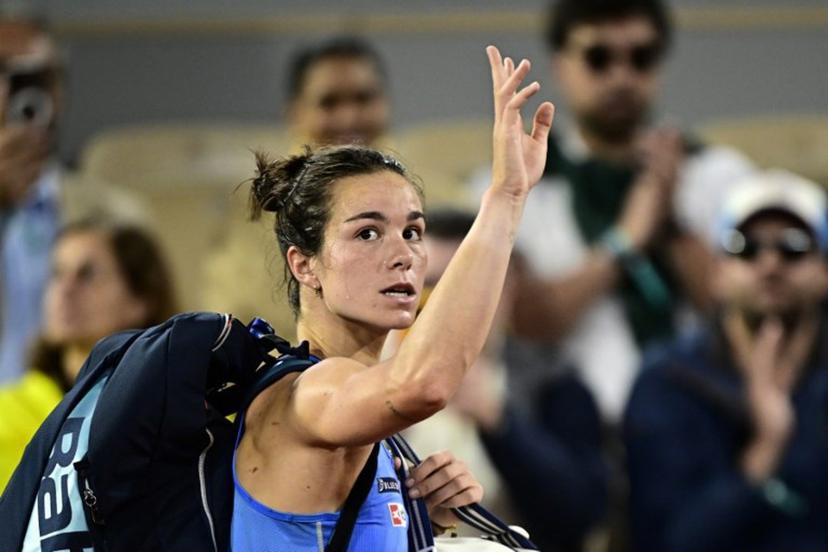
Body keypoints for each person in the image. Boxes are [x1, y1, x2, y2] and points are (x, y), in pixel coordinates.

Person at [230, 45, 555, 550]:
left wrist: (421, 517)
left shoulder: (369, 425)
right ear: (304, 264)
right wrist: (506, 197)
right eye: (367, 234)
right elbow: (423, 384)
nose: (402, 254)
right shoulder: (309, 392)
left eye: (412, 231)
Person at [469, 0, 756, 423]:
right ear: (561, 64)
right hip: (574, 430)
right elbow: (527, 319)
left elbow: (742, 309)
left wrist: (670, 218)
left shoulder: (720, 175)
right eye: (599, 58)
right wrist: (627, 239)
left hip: (704, 422)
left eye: (641, 58)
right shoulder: (514, 184)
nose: (622, 77)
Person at [624, 170, 828, 551]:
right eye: (746, 247)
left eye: (794, 247)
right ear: (718, 273)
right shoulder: (668, 381)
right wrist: (765, 449)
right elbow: (667, 541)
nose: (770, 264)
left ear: (824, 272)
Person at [401, 207, 608, 551]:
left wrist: (499, 422)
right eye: (432, 284)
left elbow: (580, 515)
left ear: (507, 284)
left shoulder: (554, 382)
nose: (448, 302)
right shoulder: (373, 381)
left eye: (467, 283)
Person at [200, 36, 394, 342]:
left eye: (363, 98)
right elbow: (238, 316)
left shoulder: (431, 196)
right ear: (295, 113)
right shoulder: (261, 206)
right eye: (329, 102)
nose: (349, 116)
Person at [0, 18, 145, 384]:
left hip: (78, 422)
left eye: (34, 79)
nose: (14, 94)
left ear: (58, 91)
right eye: (3, 73)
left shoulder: (120, 215)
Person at [0, 218, 177, 490]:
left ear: (141, 299)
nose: (65, 289)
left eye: (87, 274)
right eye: (57, 273)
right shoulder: (6, 415)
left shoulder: (183, 414)